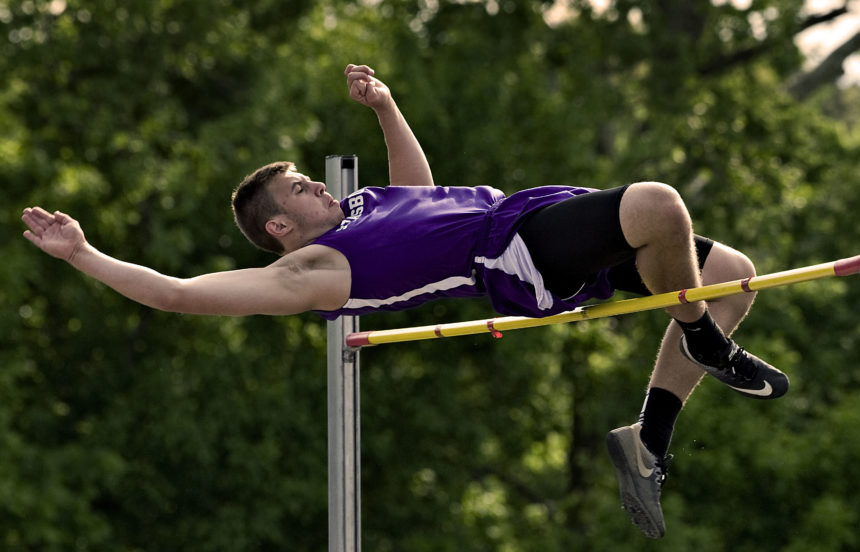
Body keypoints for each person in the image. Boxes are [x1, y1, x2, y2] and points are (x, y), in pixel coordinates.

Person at [21, 64, 788, 539]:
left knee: (731, 273)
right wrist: (84, 253)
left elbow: (421, 195)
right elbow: (178, 294)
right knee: (658, 205)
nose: (316, 185)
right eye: (300, 188)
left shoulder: (361, 210)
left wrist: (386, 108)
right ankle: (704, 343)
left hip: (528, 213)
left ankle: (648, 440)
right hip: (513, 254)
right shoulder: (314, 270)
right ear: (280, 227)